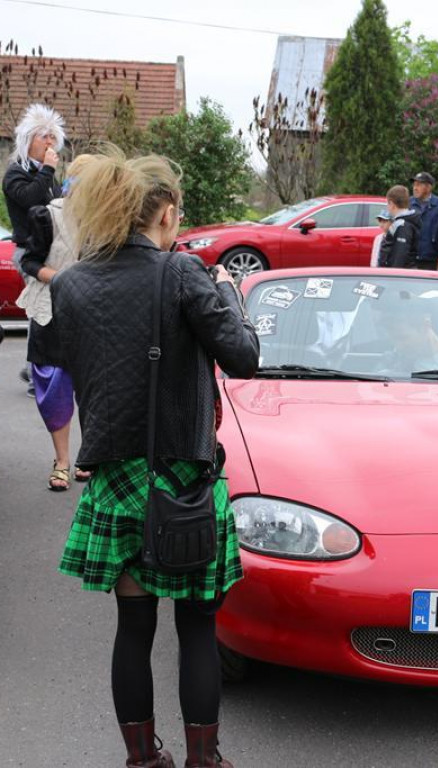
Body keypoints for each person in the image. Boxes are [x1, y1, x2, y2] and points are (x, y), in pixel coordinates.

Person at [51, 149, 259, 768]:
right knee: (197, 628)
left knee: (133, 629)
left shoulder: (71, 283)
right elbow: (245, 356)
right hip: (186, 482)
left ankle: (143, 760)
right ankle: (205, 760)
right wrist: (229, 293)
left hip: (117, 482)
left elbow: (68, 360)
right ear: (166, 213)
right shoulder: (186, 274)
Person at [17, 153, 96, 490]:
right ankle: (61, 460)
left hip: (93, 314)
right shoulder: (47, 216)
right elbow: (30, 262)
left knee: (95, 390)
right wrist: (60, 277)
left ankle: (88, 457)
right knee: (54, 390)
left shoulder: (105, 220)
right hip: (51, 313)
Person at [2, 103, 64, 397]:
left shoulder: (47, 176)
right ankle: (34, 374)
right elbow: (30, 200)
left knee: (46, 311)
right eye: (43, 136)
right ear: (28, 140)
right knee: (39, 311)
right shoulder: (16, 174)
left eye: (53, 137)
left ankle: (34, 367)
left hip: (49, 251)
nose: (50, 143)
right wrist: (49, 170)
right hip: (29, 253)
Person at [409, 171, 438, 270]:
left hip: (432, 260)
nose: (415, 188)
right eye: (414, 185)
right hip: (411, 259)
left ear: (428, 187)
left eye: (418, 185)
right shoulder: (408, 203)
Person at [378, 185, 421, 269]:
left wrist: (393, 276)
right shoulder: (402, 222)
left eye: (388, 203)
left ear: (391, 203)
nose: (387, 207)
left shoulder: (402, 225)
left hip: (398, 276)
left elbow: (400, 255)